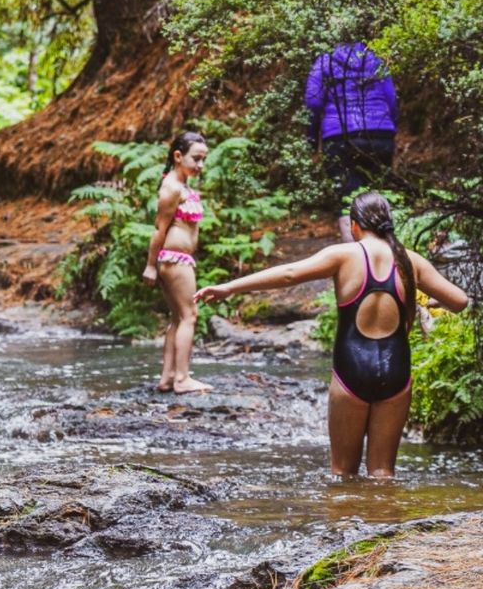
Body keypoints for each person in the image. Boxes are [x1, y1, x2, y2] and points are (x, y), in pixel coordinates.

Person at [196, 191, 469, 479]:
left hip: (351, 370)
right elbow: (460, 301)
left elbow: (289, 273)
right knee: (382, 472)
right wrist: (425, 298)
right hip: (396, 371)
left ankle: (348, 525)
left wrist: (229, 288)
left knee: (342, 474)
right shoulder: (409, 261)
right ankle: (388, 522)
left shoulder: (344, 255)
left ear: (354, 226)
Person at [304, 42, 398, 241]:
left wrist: (311, 139)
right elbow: (391, 98)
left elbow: (313, 102)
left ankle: (356, 262)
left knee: (348, 200)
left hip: (339, 137)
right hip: (380, 134)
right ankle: (388, 259)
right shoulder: (374, 58)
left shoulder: (325, 61)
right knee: (378, 196)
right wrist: (389, 129)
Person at [142, 129, 211, 394]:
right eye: (196, 159)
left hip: (179, 259)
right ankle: (182, 379)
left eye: (204, 159)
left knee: (177, 317)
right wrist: (150, 265)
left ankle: (168, 377)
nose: (200, 165)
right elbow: (159, 229)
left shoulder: (182, 185)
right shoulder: (171, 188)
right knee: (189, 315)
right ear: (178, 156)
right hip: (174, 260)